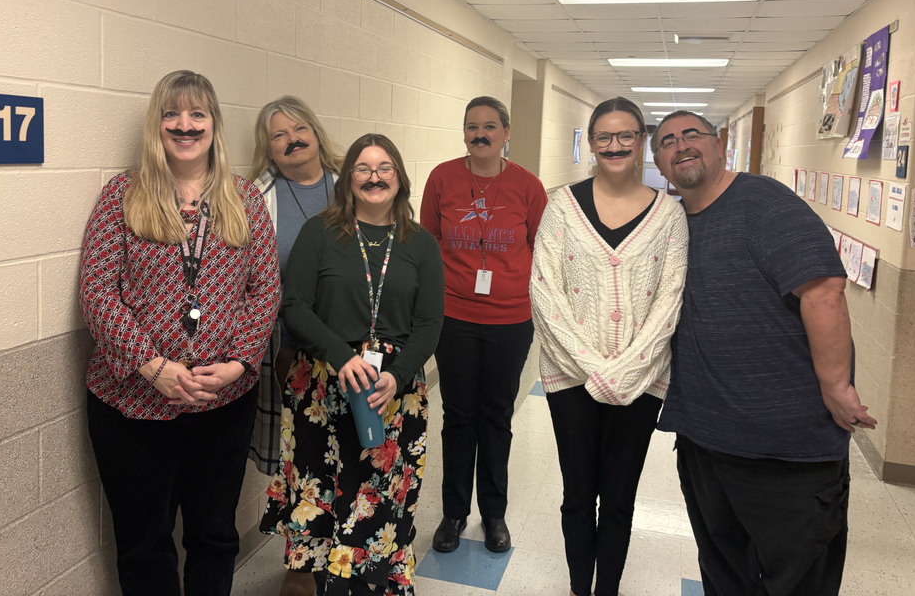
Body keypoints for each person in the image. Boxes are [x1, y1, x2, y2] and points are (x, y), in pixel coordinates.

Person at [651, 110, 878, 596]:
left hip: (785, 451)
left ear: (718, 145)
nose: (681, 145)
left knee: (795, 581)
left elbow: (824, 289)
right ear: (660, 163)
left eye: (692, 134)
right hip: (705, 441)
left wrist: (836, 385)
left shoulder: (762, 202)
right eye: (667, 141)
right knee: (724, 572)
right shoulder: (671, 223)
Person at [79, 70, 280, 596]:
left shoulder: (244, 200)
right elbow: (98, 295)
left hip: (222, 402)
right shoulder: (122, 196)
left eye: (197, 114)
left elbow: (264, 292)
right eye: (172, 114)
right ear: (157, 123)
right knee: (145, 545)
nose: (184, 125)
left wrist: (238, 362)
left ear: (214, 124)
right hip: (133, 407)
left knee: (215, 537)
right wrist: (155, 368)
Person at [261, 133, 444, 596]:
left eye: (385, 168)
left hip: (393, 393)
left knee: (382, 501)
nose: (375, 176)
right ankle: (315, 581)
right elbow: (296, 306)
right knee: (318, 497)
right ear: (347, 180)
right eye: (363, 168)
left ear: (400, 179)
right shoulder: (320, 233)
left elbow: (429, 322)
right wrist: (342, 357)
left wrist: (397, 376)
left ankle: (374, 585)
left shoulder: (420, 243)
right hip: (322, 388)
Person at [530, 97, 688, 596]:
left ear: (642, 140)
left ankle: (607, 591)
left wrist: (626, 371)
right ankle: (580, 588)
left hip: (642, 382)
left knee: (619, 499)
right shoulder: (562, 206)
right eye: (604, 136)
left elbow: (670, 302)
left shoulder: (669, 216)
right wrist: (594, 367)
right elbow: (544, 291)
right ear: (592, 143)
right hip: (570, 379)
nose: (615, 145)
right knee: (578, 495)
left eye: (626, 136)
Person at [420, 96, 548, 553]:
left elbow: (540, 246)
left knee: (496, 417)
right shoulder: (442, 178)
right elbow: (429, 238)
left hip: (510, 320)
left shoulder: (528, 186)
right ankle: (454, 513)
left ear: (506, 133)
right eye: (472, 126)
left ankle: (495, 514)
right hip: (453, 316)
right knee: (457, 416)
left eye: (490, 126)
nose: (481, 134)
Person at [248, 96, 341, 474]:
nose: (293, 139)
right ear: (269, 150)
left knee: (348, 444)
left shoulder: (350, 187)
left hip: (349, 344)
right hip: (287, 348)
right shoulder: (255, 198)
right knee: (299, 452)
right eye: (279, 135)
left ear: (316, 134)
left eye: (301, 128)